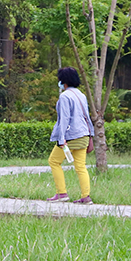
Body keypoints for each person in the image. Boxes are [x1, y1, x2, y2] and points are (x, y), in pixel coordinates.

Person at [47, 67, 93, 204]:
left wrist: (61, 139)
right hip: (84, 135)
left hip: (71, 136)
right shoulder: (81, 95)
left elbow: (64, 118)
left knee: (54, 161)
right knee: (81, 166)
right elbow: (87, 116)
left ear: (64, 81)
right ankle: (86, 196)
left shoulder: (65, 96)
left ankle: (61, 193)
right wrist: (91, 135)